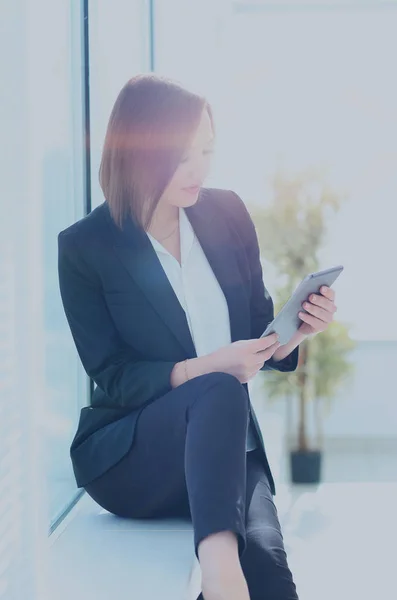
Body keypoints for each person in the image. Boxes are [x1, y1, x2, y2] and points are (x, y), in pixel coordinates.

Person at [57, 73, 337, 600]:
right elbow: (112, 378)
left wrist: (296, 331)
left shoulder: (226, 213)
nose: (200, 169)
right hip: (138, 454)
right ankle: (219, 573)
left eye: (207, 150)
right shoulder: (85, 248)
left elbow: (258, 330)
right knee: (219, 387)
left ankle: (225, 576)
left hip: (224, 445)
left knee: (272, 572)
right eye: (183, 156)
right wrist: (206, 368)